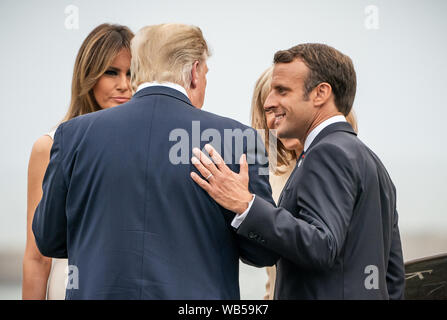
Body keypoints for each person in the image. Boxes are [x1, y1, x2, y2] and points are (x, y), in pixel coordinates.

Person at [31, 23, 278, 299]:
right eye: (206, 73)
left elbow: (49, 239)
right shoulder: (238, 140)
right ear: (195, 72)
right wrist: (244, 206)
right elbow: (264, 252)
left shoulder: (72, 135)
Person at [190, 43, 405, 299]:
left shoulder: (327, 153)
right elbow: (392, 277)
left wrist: (246, 204)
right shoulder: (371, 160)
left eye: (281, 91)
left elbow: (322, 245)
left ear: (321, 93)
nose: (269, 102)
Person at [23, 23, 134, 300]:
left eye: (132, 73)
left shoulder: (148, 147)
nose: (124, 84)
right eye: (111, 72)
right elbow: (37, 258)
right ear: (88, 75)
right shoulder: (48, 147)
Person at [251, 66, 359, 299]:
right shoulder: (266, 179)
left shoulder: (344, 165)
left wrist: (246, 207)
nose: (276, 117)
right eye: (268, 109)